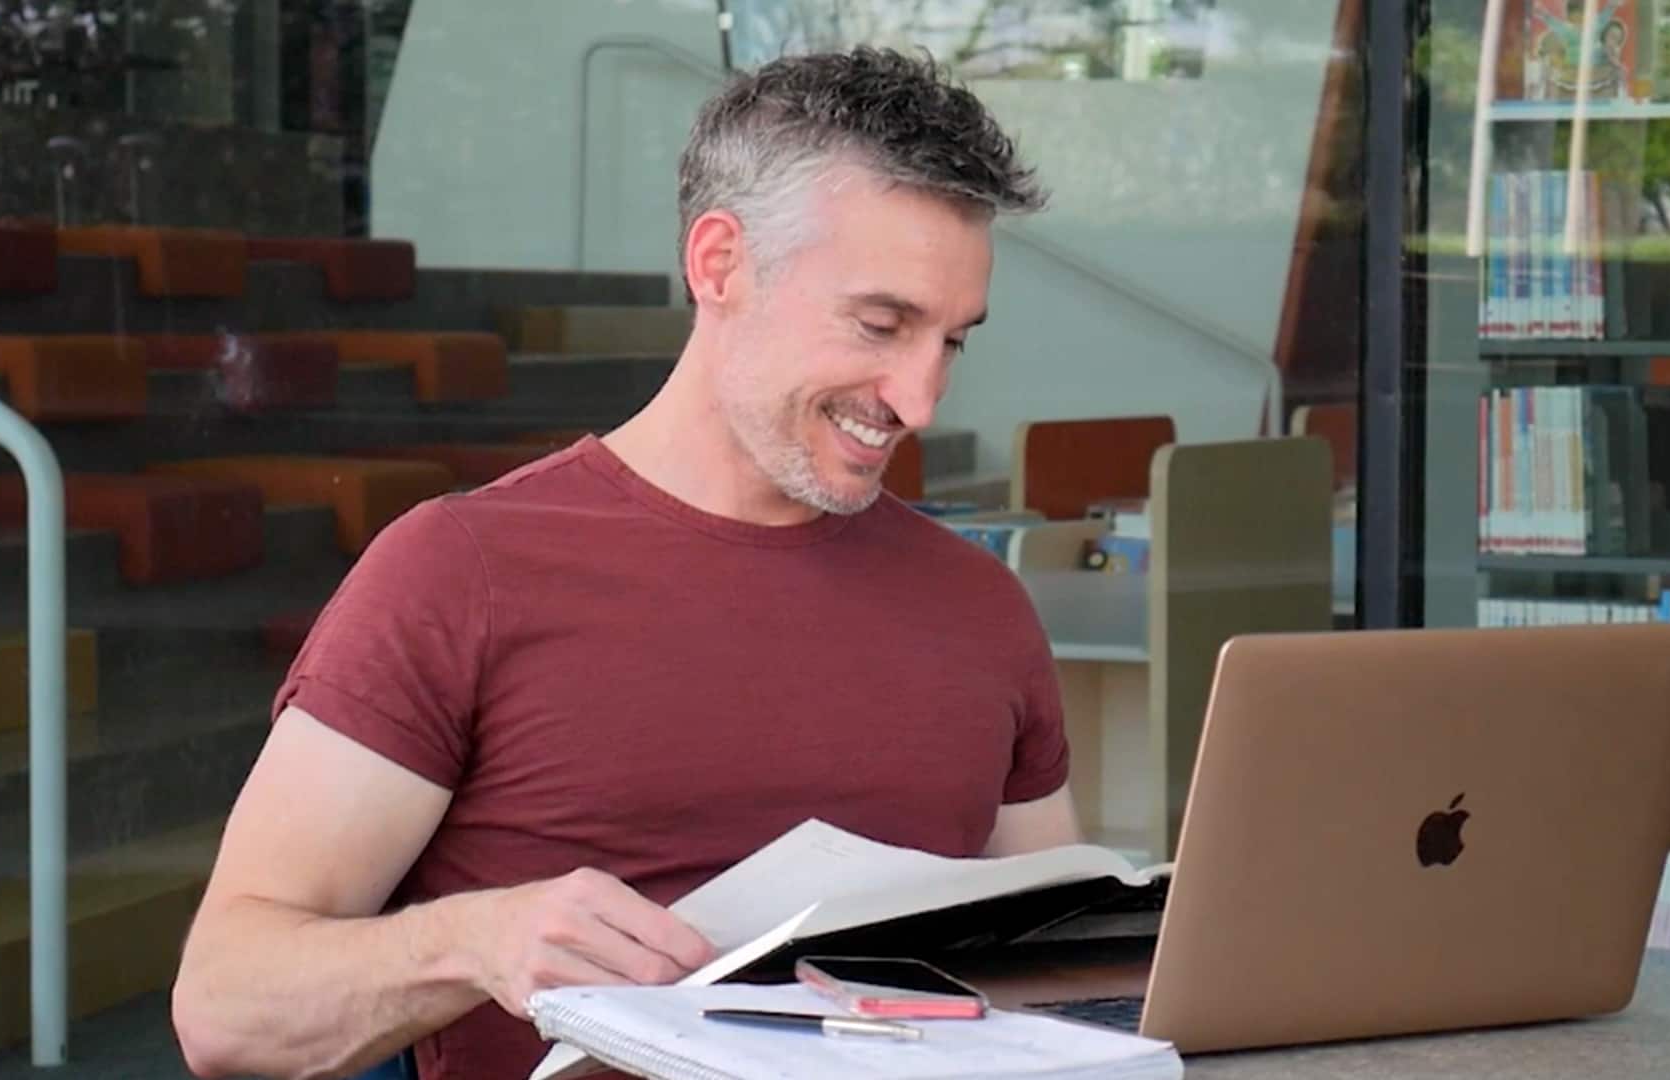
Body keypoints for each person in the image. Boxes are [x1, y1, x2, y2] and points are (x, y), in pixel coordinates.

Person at [171, 46, 1081, 1080]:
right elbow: (223, 1009)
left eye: (954, 341)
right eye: (881, 324)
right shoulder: (461, 570)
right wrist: (472, 942)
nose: (921, 400)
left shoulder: (979, 605)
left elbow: (1066, 969)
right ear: (719, 264)